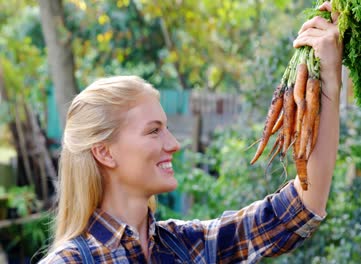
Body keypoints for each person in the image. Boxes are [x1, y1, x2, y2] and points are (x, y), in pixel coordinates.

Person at [39, 2, 342, 263]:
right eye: (154, 131)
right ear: (104, 151)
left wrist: (330, 76)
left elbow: (300, 209)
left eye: (167, 128)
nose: (173, 144)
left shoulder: (187, 246)